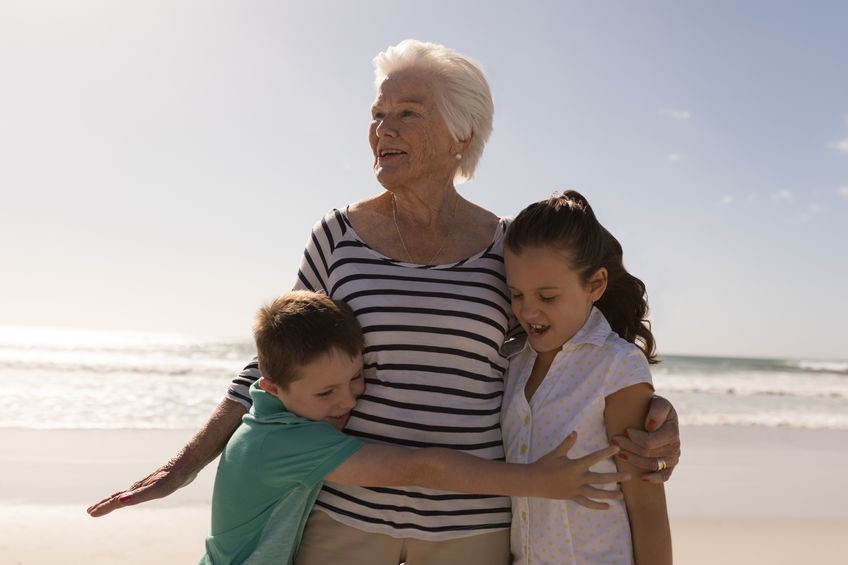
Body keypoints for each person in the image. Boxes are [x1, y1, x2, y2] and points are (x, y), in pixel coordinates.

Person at [88, 39, 681, 564]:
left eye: (407, 114)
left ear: (461, 135)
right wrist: (185, 465)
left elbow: (569, 353)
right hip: (347, 516)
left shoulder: (506, 247)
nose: (383, 129)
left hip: (472, 527)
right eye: (377, 114)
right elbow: (273, 365)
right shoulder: (337, 237)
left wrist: (657, 417)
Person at [202, 290, 628, 564]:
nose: (348, 401)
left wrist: (637, 392)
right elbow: (418, 468)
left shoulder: (272, 420)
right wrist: (536, 482)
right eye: (326, 392)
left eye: (355, 379)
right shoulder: (285, 442)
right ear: (270, 385)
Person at [502, 190, 672, 564]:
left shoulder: (616, 366)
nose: (528, 310)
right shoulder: (512, 361)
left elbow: (646, 505)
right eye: (516, 294)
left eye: (547, 297)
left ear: (595, 285)